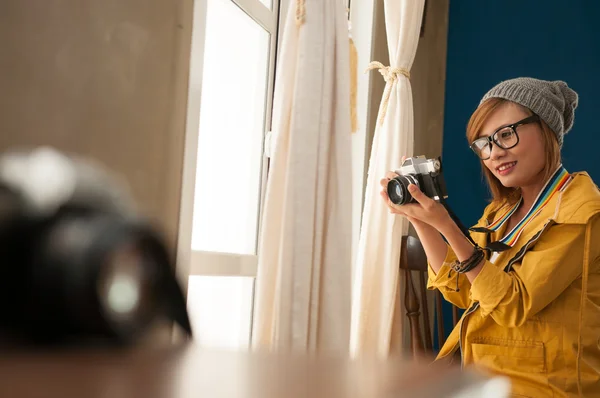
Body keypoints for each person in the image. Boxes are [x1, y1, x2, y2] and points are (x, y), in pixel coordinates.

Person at [380, 77, 600, 397]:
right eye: (484, 144)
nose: (494, 153)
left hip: (541, 385)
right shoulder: (503, 212)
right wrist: (423, 220)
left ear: (546, 131)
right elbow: (465, 292)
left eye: (505, 135)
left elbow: (512, 305)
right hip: (482, 376)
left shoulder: (582, 213)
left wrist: (447, 227)